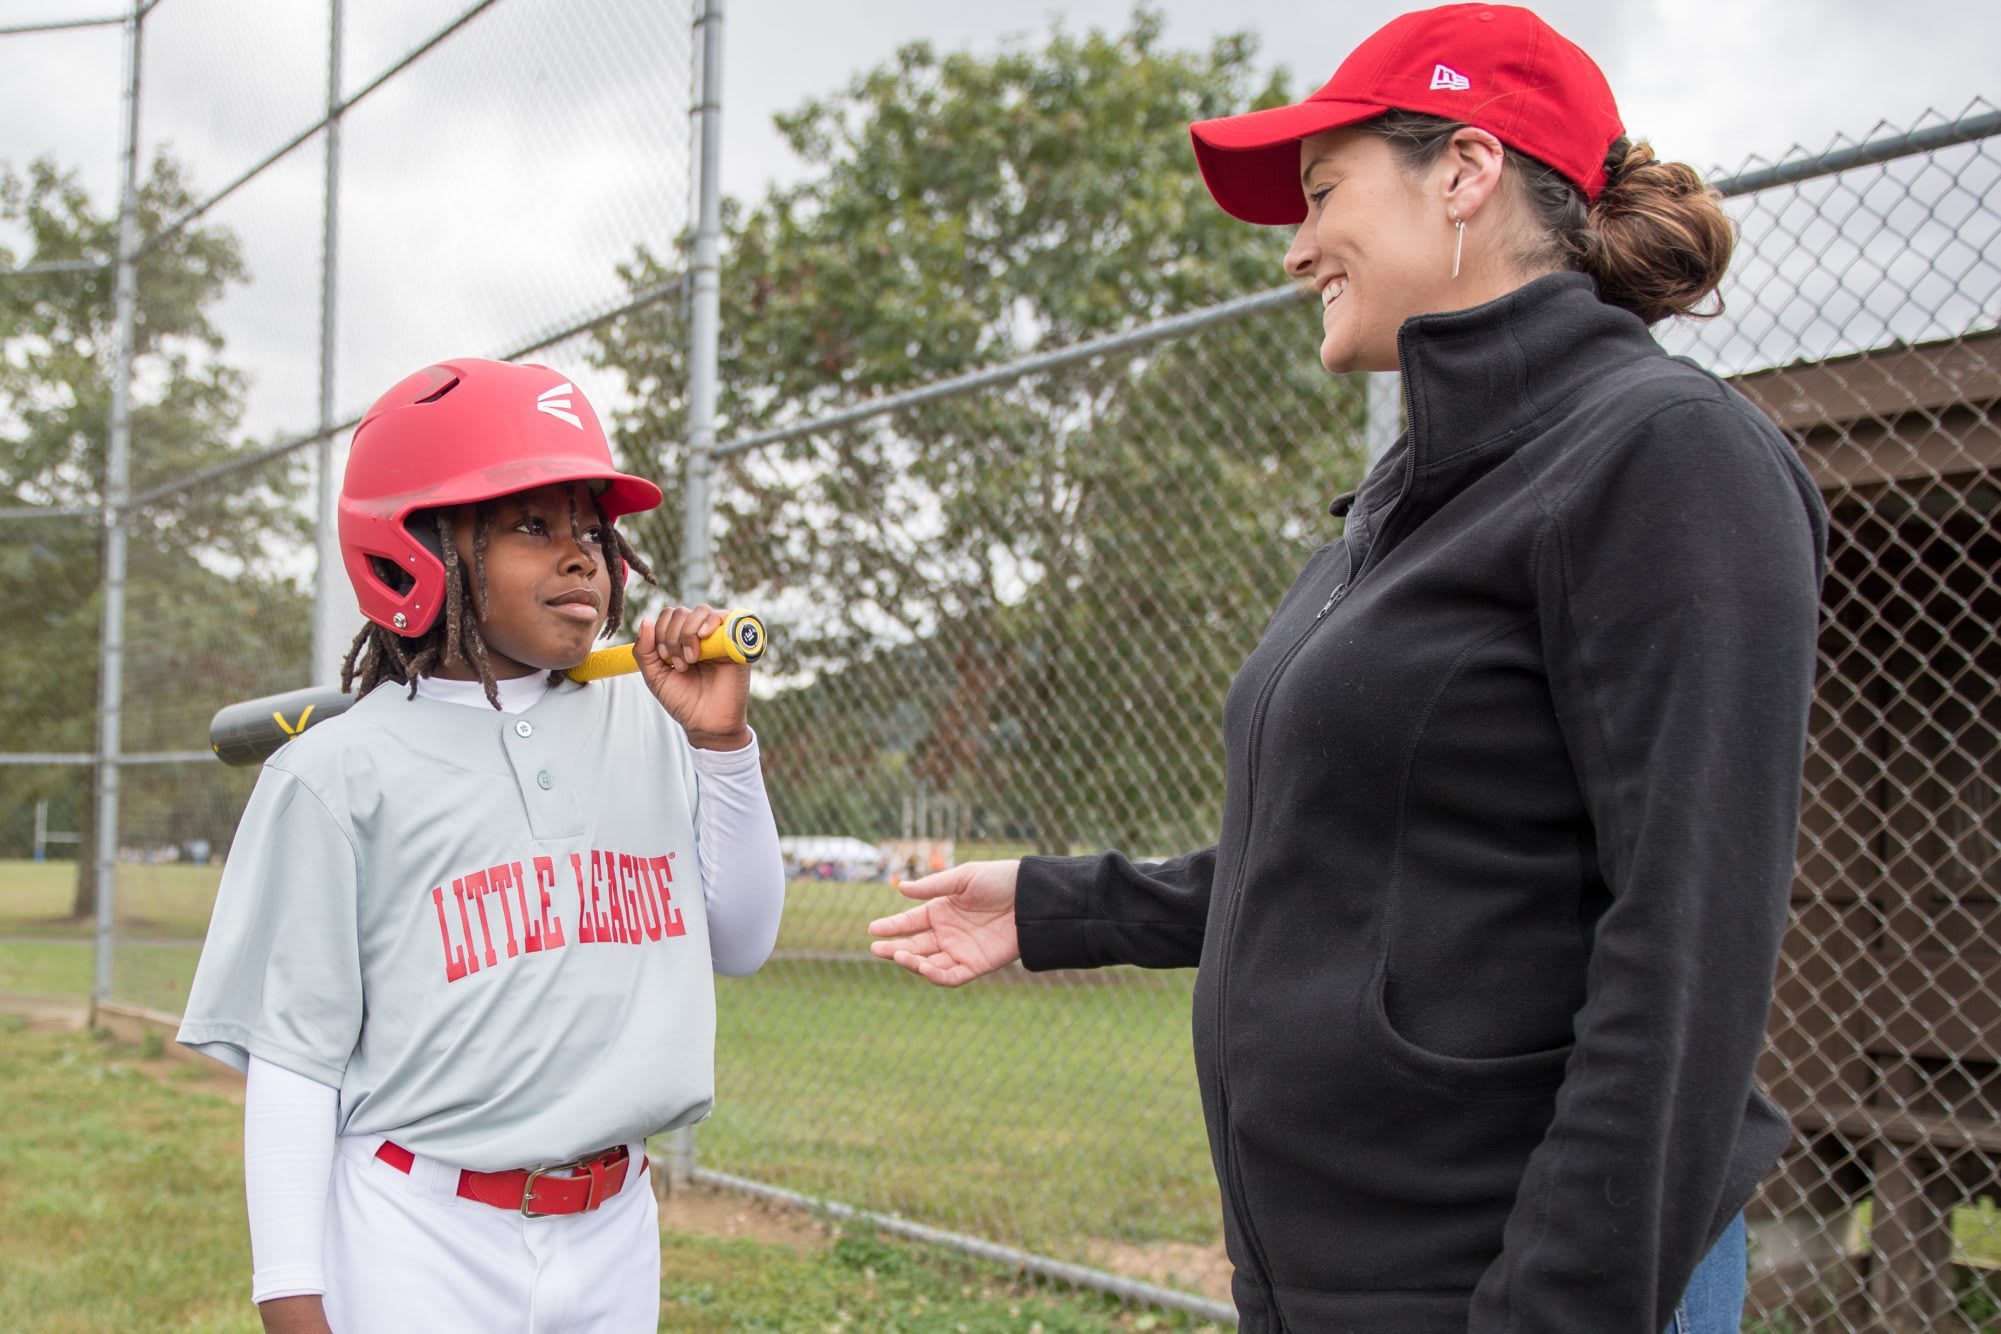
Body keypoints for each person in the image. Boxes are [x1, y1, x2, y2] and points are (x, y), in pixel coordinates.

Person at [868, 6, 1827, 1331]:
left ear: (1465, 172)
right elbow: (1357, 858)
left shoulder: (1664, 454)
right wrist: (1061, 904)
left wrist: (1553, 1308)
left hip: (1508, 1280)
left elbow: (1686, 940)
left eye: (1323, 193)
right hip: (1336, 1277)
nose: (1297, 245)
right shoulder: (1407, 494)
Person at [177, 358, 786, 1333]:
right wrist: (292, 1295)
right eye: (531, 526)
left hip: (617, 1222)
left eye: (591, 528)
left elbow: (743, 938)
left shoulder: (644, 718)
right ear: (415, 547)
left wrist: (721, 744)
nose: (580, 555)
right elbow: (296, 1060)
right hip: (422, 1230)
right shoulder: (338, 772)